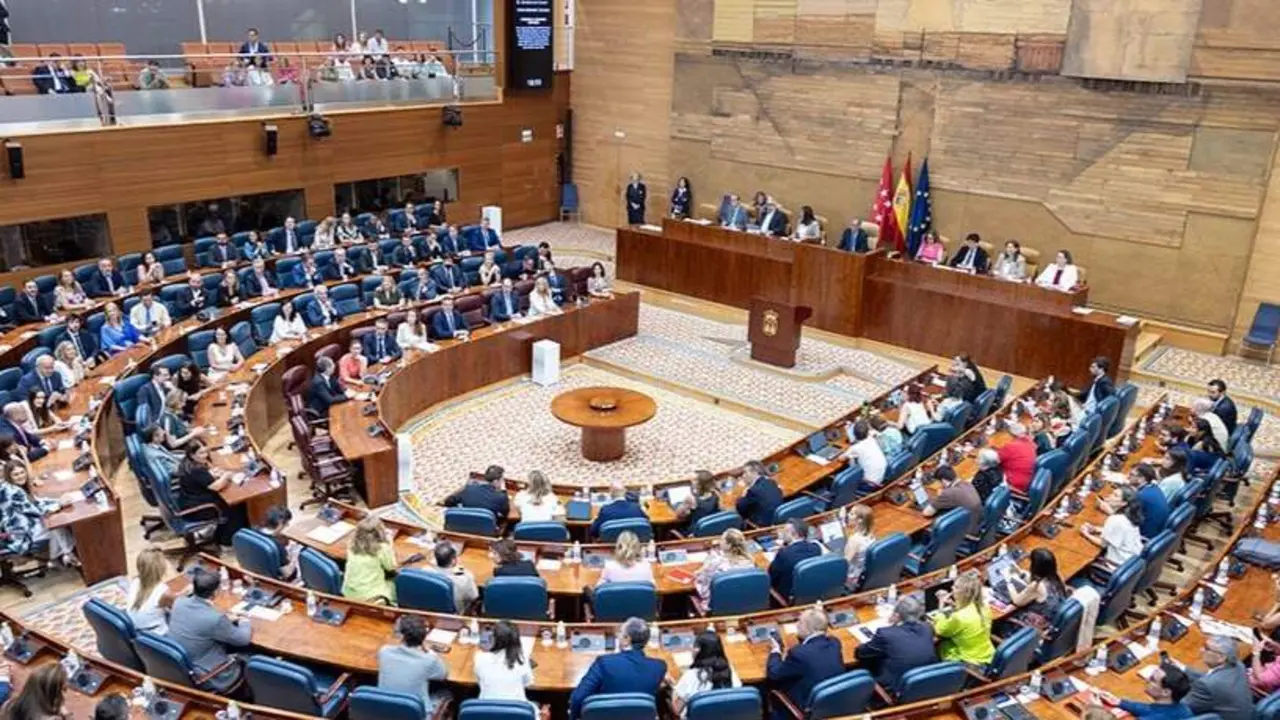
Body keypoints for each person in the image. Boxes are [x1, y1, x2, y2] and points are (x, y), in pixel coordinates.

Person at [568, 617, 667, 719]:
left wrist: (574, 717)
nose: (618, 636)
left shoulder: (604, 663)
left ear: (626, 639)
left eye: (620, 633)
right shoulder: (659, 667)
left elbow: (577, 698)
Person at [167, 567, 252, 676]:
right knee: (252, 656)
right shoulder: (215, 619)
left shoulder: (179, 602)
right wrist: (245, 620)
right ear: (216, 592)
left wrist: (225, 619)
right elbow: (243, 639)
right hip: (209, 671)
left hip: (183, 664)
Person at [854, 595, 938, 697]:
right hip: (925, 681)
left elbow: (860, 654)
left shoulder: (885, 634)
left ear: (897, 615)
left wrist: (893, 625)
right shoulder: (927, 627)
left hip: (896, 686)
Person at [767, 608, 845, 718]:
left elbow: (774, 673)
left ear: (807, 628)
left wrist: (775, 651)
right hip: (834, 702)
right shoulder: (835, 643)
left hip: (806, 707)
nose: (797, 625)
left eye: (799, 622)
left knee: (769, 687)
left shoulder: (798, 653)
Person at [0, 461, 77, 565]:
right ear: (9, 476)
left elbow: (35, 502)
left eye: (22, 472)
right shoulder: (13, 492)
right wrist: (59, 504)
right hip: (20, 534)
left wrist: (57, 500)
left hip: (17, 528)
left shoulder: (8, 487)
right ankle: (65, 555)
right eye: (16, 474)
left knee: (53, 520)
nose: (20, 476)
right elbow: (36, 511)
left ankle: (61, 555)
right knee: (56, 524)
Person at [376, 615, 449, 714]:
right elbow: (443, 674)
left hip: (385, 710)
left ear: (402, 636)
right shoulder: (429, 660)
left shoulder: (384, 651)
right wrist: (430, 651)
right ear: (424, 637)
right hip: (416, 714)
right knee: (447, 693)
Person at [176, 443, 246, 546]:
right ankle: (226, 540)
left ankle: (224, 533)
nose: (205, 455)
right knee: (236, 506)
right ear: (192, 455)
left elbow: (201, 479)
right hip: (198, 508)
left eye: (205, 451)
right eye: (201, 453)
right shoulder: (197, 470)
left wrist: (212, 473)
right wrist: (226, 476)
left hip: (188, 500)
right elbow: (216, 486)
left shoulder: (187, 463)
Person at [931, 570, 995, 664]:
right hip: (988, 654)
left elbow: (941, 630)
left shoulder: (959, 618)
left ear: (965, 593)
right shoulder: (984, 607)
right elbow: (967, 612)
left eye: (956, 587)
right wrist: (954, 605)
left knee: (940, 645)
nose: (952, 588)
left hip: (972, 661)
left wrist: (940, 607)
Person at [672, 630, 740, 717]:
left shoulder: (691, 675)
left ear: (698, 651)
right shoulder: (730, 670)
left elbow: (677, 710)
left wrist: (674, 690)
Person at [473, 620, 536, 709]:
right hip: (517, 712)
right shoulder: (522, 659)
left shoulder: (479, 657)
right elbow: (528, 683)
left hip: (486, 711)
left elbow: (479, 680)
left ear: (494, 638)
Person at [1098, 662, 1194, 719]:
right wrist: (1120, 702)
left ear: (1166, 692)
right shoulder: (1184, 709)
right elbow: (1149, 708)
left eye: (1152, 679)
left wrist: (1098, 710)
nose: (1147, 679)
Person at [692, 529, 756, 612]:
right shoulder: (750, 562)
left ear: (729, 545)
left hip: (718, 608)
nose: (719, 541)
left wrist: (701, 570)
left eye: (722, 539)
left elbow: (703, 591)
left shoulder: (716, 563)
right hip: (744, 604)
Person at [1081, 486, 1143, 567]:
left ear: (1123, 503)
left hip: (1116, 566)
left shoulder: (1115, 519)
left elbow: (1103, 544)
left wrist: (1086, 534)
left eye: (1115, 495)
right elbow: (1120, 531)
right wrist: (1096, 529)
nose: (1110, 496)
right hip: (1132, 563)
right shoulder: (1131, 516)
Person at [1007, 548, 1067, 630]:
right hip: (1051, 622)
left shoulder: (1037, 586)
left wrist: (1008, 581)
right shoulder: (1057, 577)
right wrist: (1020, 573)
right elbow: (1035, 581)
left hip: (1034, 630)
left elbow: (1017, 601)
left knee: (1002, 618)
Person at [342, 516, 398, 603]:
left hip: (349, 592)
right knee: (398, 586)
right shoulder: (381, 548)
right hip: (370, 594)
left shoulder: (351, 544)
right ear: (380, 532)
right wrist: (390, 544)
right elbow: (391, 567)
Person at [769, 518, 822, 599]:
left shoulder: (784, 554)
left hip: (788, 595)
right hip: (809, 591)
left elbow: (771, 577)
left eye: (785, 531)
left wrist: (778, 555)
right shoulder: (816, 548)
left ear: (794, 534)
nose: (782, 534)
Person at [127, 546, 173, 635]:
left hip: (134, 629)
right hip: (156, 634)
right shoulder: (164, 592)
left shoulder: (134, 581)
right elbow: (179, 606)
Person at [923, 465, 982, 532]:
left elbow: (926, 513)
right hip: (976, 523)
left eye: (940, 482)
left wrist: (939, 497)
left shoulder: (948, 493)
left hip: (966, 531)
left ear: (943, 481)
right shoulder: (967, 484)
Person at [443, 465, 510, 521]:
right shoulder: (501, 496)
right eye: (502, 479)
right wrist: (503, 490)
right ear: (496, 481)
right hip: (486, 529)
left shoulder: (469, 489)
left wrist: (460, 509)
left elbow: (448, 502)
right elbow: (505, 514)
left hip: (464, 523)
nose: (502, 482)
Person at [3, 663, 68, 720]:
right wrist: (66, 714)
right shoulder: (52, 718)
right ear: (54, 694)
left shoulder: (8, 705)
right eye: (64, 688)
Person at [428, 540, 479, 610]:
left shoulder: (427, 571)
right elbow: (474, 597)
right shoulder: (465, 577)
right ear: (453, 560)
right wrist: (459, 566)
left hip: (432, 608)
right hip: (455, 615)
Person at [1122, 464, 1170, 538]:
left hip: (1142, 537)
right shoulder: (1155, 488)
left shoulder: (1141, 496)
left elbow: (1127, 521)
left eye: (1131, 475)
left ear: (1142, 479)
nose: (1128, 477)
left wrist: (1110, 511)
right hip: (1156, 533)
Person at [842, 420, 887, 492]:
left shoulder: (856, 448)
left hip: (868, 484)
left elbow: (841, 458)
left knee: (844, 478)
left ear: (854, 435)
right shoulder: (872, 439)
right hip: (881, 477)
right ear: (867, 432)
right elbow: (873, 433)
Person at [735, 460, 782, 527]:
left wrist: (744, 493)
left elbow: (740, 508)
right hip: (779, 520)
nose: (743, 476)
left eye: (745, 472)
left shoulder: (753, 491)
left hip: (765, 526)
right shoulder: (772, 482)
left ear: (754, 472)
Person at [997, 422, 1037, 493]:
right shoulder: (1031, 443)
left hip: (1014, 484)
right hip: (1027, 481)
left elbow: (994, 460)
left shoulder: (1011, 447)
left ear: (1011, 435)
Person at [844, 504, 876, 584]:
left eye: (851, 514)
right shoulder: (871, 535)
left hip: (852, 577)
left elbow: (844, 563)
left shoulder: (854, 540)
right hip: (862, 571)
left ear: (860, 520)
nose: (848, 515)